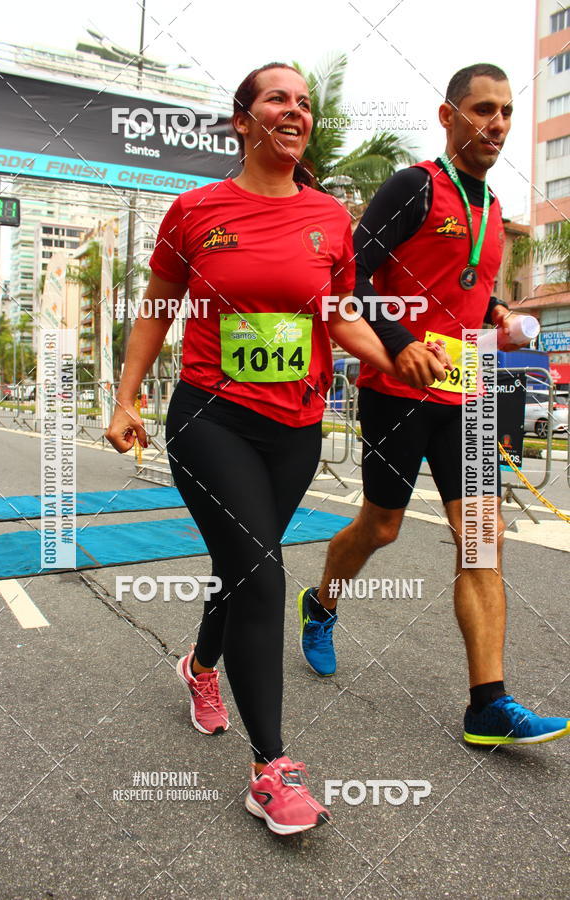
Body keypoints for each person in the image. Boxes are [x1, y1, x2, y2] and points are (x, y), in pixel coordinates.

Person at [105, 62, 450, 835]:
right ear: (243, 120)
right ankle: (271, 769)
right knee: (262, 572)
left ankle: (200, 667)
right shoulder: (195, 211)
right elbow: (158, 309)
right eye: (277, 99)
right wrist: (126, 398)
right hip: (211, 420)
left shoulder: (328, 217)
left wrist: (395, 355)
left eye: (304, 102)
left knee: (242, 567)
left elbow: (340, 315)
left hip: (295, 430)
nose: (295, 111)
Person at [298, 63, 570, 747]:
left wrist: (500, 314)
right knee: (381, 527)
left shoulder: (492, 208)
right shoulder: (414, 186)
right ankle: (322, 602)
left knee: (483, 536)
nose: (497, 124)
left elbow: (465, 288)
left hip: (467, 393)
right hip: (396, 391)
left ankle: (488, 704)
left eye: (506, 111)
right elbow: (352, 275)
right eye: (483, 109)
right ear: (449, 116)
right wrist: (398, 342)